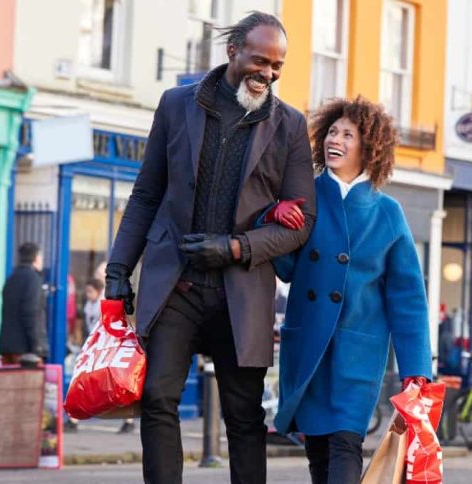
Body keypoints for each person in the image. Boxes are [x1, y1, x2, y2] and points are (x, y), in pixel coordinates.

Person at [104, 11, 316, 483]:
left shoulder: (290, 127)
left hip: (240, 293)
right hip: (174, 285)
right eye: (260, 61)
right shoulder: (175, 104)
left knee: (243, 419)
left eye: (278, 66)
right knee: (158, 398)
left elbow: (302, 224)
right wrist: (118, 269)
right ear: (232, 52)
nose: (269, 74)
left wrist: (235, 248)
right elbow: (145, 194)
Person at [266, 97, 431, 484]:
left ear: (368, 147)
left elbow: (408, 301)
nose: (334, 140)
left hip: (357, 352)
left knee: (345, 443)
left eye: (347, 134)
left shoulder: (387, 212)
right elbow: (287, 269)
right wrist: (272, 220)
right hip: (308, 347)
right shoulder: (305, 196)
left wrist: (416, 371)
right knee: (318, 451)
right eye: (332, 132)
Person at [0, 242, 48, 364]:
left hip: (7, 346)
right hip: (25, 351)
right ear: (36, 258)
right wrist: (37, 347)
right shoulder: (33, 279)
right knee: (30, 383)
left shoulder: (11, 279)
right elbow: (31, 314)